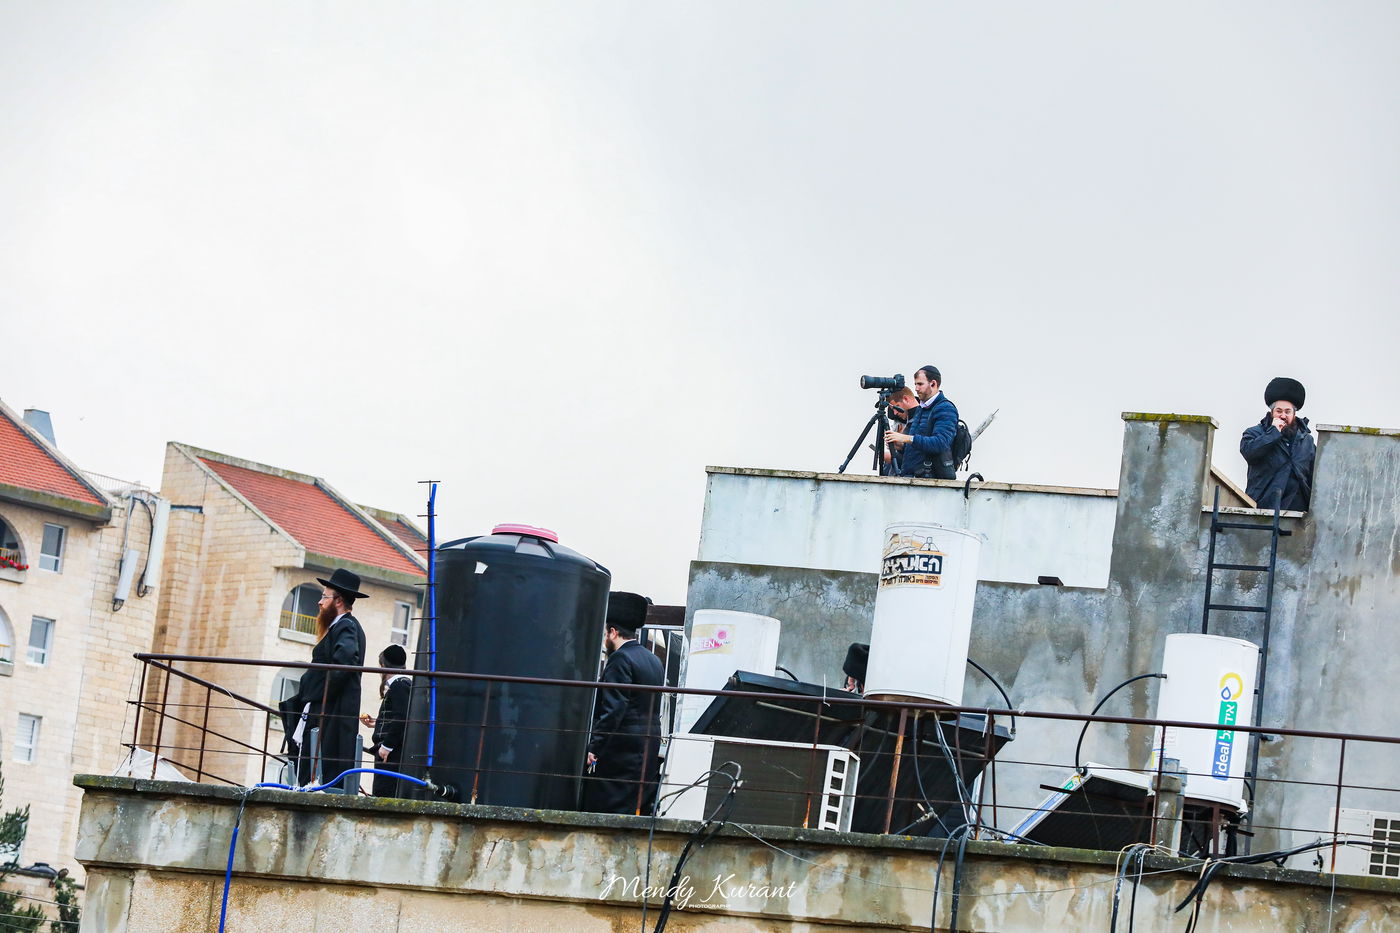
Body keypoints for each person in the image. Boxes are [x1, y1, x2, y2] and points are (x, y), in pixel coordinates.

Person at [582, 592, 665, 815]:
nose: (604, 640)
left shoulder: (620, 659)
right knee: (633, 807)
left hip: (622, 748)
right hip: (648, 744)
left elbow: (613, 709)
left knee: (606, 806)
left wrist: (595, 747)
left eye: (605, 634)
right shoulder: (652, 659)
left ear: (613, 632)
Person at [294, 568, 368, 792]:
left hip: (331, 711)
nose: (319, 602)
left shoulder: (346, 625)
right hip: (328, 709)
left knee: (323, 765)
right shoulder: (342, 626)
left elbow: (344, 662)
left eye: (324, 597)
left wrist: (318, 692)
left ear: (338, 601)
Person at [1240, 377, 1316, 512]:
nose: (1283, 415)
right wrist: (1273, 433)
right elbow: (1249, 453)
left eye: (1287, 412)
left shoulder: (1307, 441)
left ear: (1294, 414)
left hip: (1298, 513)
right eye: (1279, 411)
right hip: (1263, 509)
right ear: (1272, 412)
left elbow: (1314, 476)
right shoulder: (1255, 433)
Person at [884, 365, 959, 479]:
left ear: (933, 384)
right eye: (915, 384)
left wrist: (905, 438)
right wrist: (901, 446)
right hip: (915, 478)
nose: (916, 388)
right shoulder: (922, 408)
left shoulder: (945, 408)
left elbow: (941, 443)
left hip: (929, 481)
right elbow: (919, 446)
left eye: (920, 384)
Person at [360, 643, 412, 797]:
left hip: (389, 754)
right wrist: (377, 722)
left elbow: (402, 717)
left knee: (383, 793)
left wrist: (387, 746)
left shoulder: (399, 686)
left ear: (383, 665)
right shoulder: (403, 684)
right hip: (390, 752)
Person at [881, 387, 918, 475]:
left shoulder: (921, 419)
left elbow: (921, 454)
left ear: (906, 399)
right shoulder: (903, 420)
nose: (895, 413)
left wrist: (899, 448)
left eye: (896, 407)